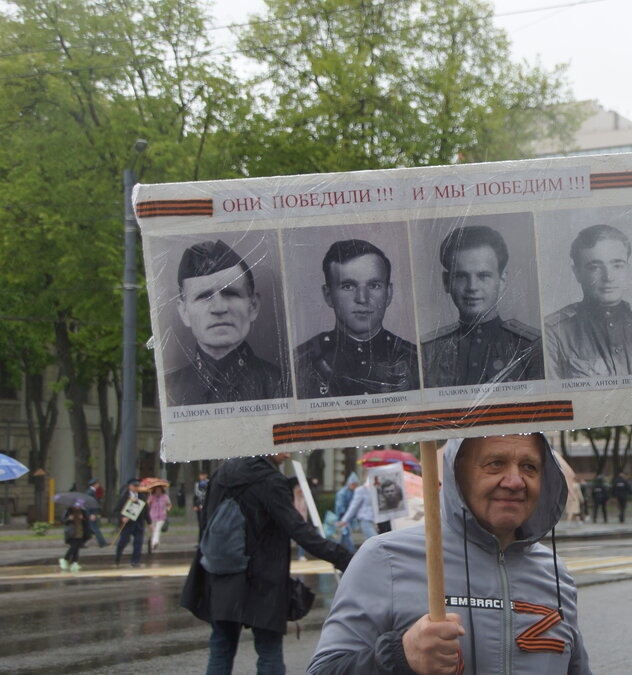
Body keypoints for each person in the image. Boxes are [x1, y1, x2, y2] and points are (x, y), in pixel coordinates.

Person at [308, 434, 591, 673]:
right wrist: (399, 655)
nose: (515, 481)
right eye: (496, 464)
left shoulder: (556, 573)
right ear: (458, 474)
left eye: (529, 466)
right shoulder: (384, 558)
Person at [181, 452, 353, 675]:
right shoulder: (270, 479)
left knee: (221, 646)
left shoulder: (222, 472)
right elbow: (298, 529)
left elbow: (205, 523)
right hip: (263, 579)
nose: (288, 451)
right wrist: (346, 559)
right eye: (281, 444)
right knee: (269, 650)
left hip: (222, 573)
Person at [166, 239, 288, 406]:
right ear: (184, 312)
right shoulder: (169, 389)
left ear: (253, 306)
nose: (219, 308)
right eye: (204, 297)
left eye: (231, 293)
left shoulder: (282, 385)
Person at [295, 239, 420, 398]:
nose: (362, 298)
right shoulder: (301, 362)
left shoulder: (416, 360)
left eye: (374, 285)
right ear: (328, 296)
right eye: (348, 286)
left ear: (388, 294)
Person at [421, 225, 544, 387]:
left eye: (483, 276)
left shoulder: (531, 346)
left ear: (502, 281)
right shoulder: (428, 350)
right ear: (446, 282)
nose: (472, 287)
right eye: (461, 276)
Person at [544, 224, 632, 380]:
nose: (609, 277)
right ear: (577, 273)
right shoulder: (554, 333)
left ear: (627, 269)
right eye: (595, 267)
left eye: (617, 265)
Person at [114, 479, 149, 567]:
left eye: (138, 486)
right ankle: (117, 557)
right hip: (127, 524)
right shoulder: (124, 496)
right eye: (134, 486)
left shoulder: (142, 496)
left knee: (138, 542)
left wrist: (150, 522)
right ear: (130, 486)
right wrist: (122, 518)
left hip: (139, 523)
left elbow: (146, 510)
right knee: (123, 542)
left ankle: (135, 561)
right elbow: (116, 510)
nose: (136, 488)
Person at [337, 479, 378, 547]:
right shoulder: (361, 490)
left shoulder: (375, 489)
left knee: (369, 543)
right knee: (374, 541)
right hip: (365, 519)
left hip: (373, 521)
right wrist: (344, 520)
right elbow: (353, 507)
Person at [61, 499, 91, 573]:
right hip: (72, 532)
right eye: (77, 506)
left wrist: (83, 519)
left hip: (80, 532)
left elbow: (86, 521)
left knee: (77, 548)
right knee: (73, 547)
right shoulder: (69, 511)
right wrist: (69, 519)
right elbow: (63, 520)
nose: (78, 507)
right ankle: (65, 559)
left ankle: (74, 562)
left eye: (80, 506)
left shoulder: (82, 511)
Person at [333, 474, 359, 552]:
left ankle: (340, 551)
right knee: (346, 534)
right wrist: (343, 518)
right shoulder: (342, 493)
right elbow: (340, 507)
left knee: (344, 536)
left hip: (348, 518)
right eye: (354, 484)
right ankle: (352, 552)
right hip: (343, 517)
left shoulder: (354, 492)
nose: (355, 486)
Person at [146, 484, 172, 553]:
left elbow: (169, 505)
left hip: (162, 516)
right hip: (152, 516)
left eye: (159, 490)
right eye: (157, 490)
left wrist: (166, 509)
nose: (158, 491)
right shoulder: (151, 497)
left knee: (157, 529)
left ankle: (155, 543)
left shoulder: (165, 497)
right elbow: (147, 506)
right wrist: (149, 502)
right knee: (153, 530)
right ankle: (152, 544)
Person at [85, 478, 108, 548]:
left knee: (88, 529)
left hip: (90, 513)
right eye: (98, 484)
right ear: (95, 484)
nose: (99, 485)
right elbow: (90, 504)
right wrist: (92, 514)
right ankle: (102, 543)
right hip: (90, 513)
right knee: (95, 528)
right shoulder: (90, 492)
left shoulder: (91, 491)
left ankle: (81, 543)